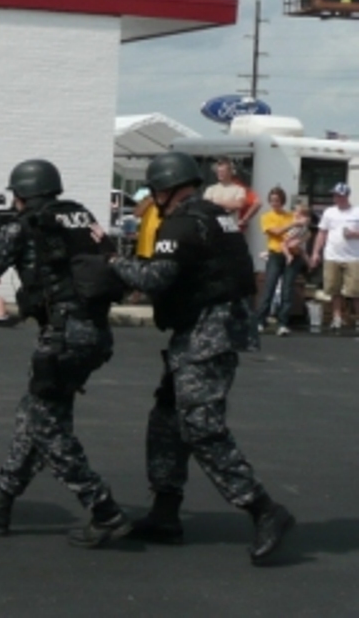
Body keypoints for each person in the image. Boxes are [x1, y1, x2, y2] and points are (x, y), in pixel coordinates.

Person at [109, 152, 295, 564]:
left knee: (201, 426)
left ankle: (264, 509)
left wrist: (111, 261)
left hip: (207, 333)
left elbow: (154, 278)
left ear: (166, 190)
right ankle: (165, 512)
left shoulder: (182, 223)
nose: (153, 199)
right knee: (166, 418)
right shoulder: (215, 216)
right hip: (208, 327)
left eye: (155, 191)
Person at [0, 159, 130, 549]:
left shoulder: (24, 226)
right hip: (92, 330)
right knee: (34, 418)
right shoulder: (78, 216)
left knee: (46, 428)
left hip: (63, 336)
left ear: (22, 194)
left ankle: (104, 510)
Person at [308, 182, 359, 333]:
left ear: (346, 196)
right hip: (332, 256)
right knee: (334, 289)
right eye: (334, 195)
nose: (335, 198)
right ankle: (337, 318)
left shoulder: (356, 212)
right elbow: (321, 233)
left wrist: (354, 234)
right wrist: (315, 253)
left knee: (355, 291)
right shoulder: (329, 212)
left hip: (353, 257)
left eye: (338, 195)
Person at [255, 187, 303, 336]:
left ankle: (283, 323)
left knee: (287, 290)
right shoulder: (266, 217)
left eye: (277, 200)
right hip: (275, 254)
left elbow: (301, 231)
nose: (274, 203)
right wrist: (292, 224)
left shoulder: (291, 215)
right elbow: (275, 231)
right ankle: (260, 321)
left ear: (282, 201)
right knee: (269, 287)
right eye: (272, 200)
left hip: (292, 255)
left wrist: (297, 226)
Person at [202, 158, 248, 224]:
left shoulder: (239, 189)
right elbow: (206, 206)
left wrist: (216, 201)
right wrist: (228, 206)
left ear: (230, 172)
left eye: (223, 171)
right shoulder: (210, 189)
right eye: (218, 171)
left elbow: (239, 204)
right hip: (213, 225)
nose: (220, 174)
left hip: (230, 226)